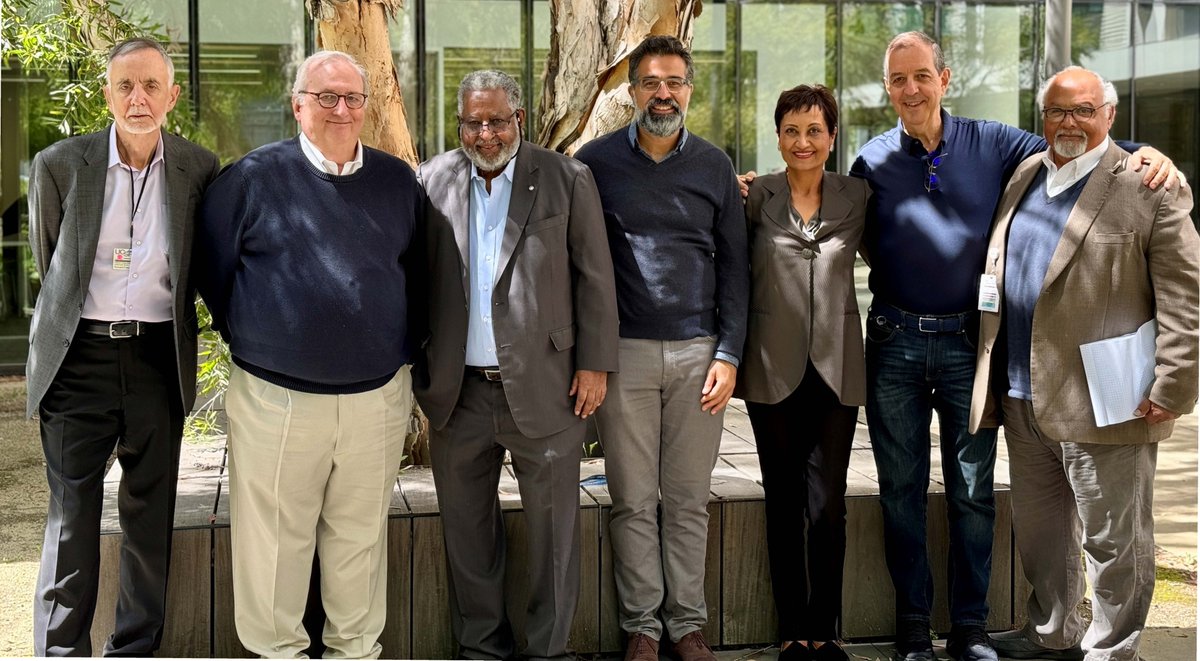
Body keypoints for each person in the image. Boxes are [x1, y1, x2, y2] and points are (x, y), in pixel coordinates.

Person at [845, 31, 1177, 661]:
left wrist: (1147, 152)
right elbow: (847, 229)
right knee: (900, 490)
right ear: (888, 89)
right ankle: (914, 627)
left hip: (970, 349)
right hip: (893, 344)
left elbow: (1077, 148)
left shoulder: (997, 144)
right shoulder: (872, 161)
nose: (910, 89)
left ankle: (970, 628)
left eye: (921, 76)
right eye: (898, 80)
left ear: (945, 79)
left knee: (972, 491)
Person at [195, 50, 421, 658]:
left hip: (376, 399)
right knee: (273, 546)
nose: (340, 109)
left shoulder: (398, 181)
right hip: (276, 399)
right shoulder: (250, 179)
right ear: (298, 105)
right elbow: (213, 274)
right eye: (326, 97)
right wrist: (262, 337)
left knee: (359, 542)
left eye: (351, 97)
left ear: (366, 108)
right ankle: (277, 653)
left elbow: (415, 274)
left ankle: (356, 651)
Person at [968, 66, 1197, 661]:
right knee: (1044, 536)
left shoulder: (1149, 184)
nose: (1069, 123)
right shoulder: (1025, 173)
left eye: (1083, 111)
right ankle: (1052, 632)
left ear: (1110, 115)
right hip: (1022, 395)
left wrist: (1173, 385)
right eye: (1057, 111)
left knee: (1115, 540)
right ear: (1042, 116)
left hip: (1109, 396)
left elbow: (1185, 295)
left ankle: (1113, 649)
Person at [414, 69, 619, 661]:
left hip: (550, 388)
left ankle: (546, 652)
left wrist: (595, 365)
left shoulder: (566, 178)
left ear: (519, 120)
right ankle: (482, 650)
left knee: (555, 539)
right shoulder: (432, 180)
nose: (485, 133)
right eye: (474, 122)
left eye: (497, 120)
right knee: (467, 535)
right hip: (460, 395)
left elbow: (596, 281)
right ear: (461, 124)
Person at [26, 37, 220, 657]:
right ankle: (62, 651)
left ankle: (135, 647)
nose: (139, 98)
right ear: (106, 93)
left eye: (151, 86)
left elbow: (199, 266)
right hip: (78, 357)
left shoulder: (198, 168)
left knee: (149, 514)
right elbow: (49, 260)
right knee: (72, 516)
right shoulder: (61, 164)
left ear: (173, 95)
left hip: (158, 359)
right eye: (125, 86)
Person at [575, 35, 749, 661]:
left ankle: (688, 626)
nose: (663, 94)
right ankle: (643, 627)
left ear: (689, 89)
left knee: (686, 500)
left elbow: (735, 268)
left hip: (700, 356)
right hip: (622, 356)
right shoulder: (594, 164)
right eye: (651, 82)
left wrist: (729, 355)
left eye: (674, 82)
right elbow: (579, 265)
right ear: (632, 91)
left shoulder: (714, 167)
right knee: (630, 498)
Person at [735, 85, 870, 661]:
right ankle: (793, 629)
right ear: (778, 136)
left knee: (828, 503)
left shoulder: (859, 194)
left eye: (814, 130)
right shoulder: (753, 195)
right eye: (792, 130)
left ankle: (826, 628)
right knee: (783, 500)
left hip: (837, 370)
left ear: (832, 137)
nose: (803, 141)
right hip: (772, 366)